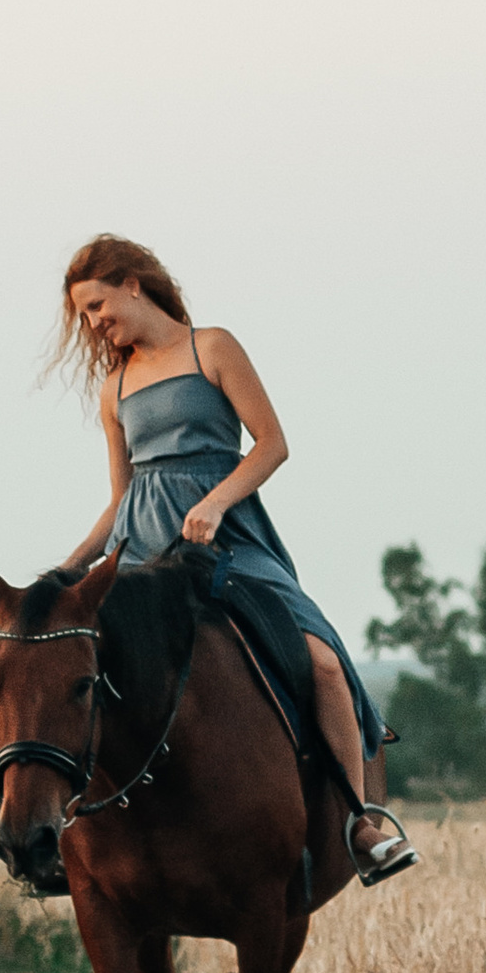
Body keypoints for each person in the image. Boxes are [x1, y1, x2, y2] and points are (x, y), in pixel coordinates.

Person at [52, 232, 416, 884]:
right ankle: (67, 836)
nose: (93, 323)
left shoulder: (211, 347)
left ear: (132, 285)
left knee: (324, 662)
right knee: (77, 676)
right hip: (144, 551)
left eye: (97, 305)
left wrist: (217, 503)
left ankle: (361, 822)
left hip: (231, 540)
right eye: (85, 314)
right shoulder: (115, 387)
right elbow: (121, 496)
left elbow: (271, 445)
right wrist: (72, 565)